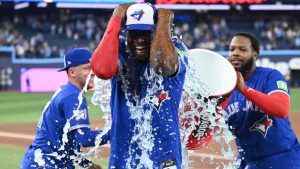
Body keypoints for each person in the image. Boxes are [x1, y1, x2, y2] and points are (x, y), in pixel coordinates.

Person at [91, 3, 188, 168]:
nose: (139, 40)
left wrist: (164, 20)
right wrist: (116, 18)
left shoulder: (175, 49)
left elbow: (163, 65)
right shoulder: (121, 49)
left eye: (146, 33)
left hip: (164, 158)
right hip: (123, 158)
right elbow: (101, 70)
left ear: (156, 30)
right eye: (133, 34)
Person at [20, 48, 109, 169]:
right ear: (72, 72)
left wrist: (87, 164)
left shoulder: (67, 91)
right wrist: (115, 131)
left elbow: (66, 141)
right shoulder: (73, 97)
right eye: (87, 68)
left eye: (93, 67)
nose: (93, 72)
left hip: (40, 161)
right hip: (45, 164)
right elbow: (84, 138)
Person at [226, 32, 300, 169]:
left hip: (282, 159)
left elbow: (281, 109)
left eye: (242, 49)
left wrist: (244, 89)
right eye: (232, 49)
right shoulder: (225, 87)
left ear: (255, 55)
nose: (235, 53)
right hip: (248, 161)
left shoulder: (270, 76)